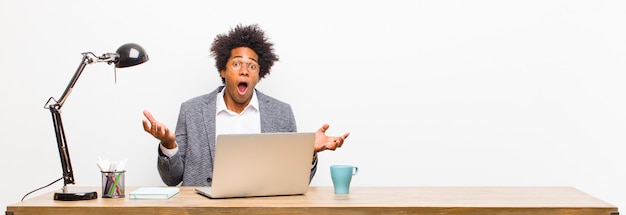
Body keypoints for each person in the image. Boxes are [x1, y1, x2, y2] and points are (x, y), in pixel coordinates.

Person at [142, 24, 350, 186]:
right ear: (222, 71)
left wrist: (308, 152)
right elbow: (172, 179)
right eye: (236, 64)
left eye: (252, 65)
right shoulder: (192, 110)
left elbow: (295, 180)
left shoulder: (281, 113)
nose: (244, 70)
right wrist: (169, 146)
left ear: (260, 74)